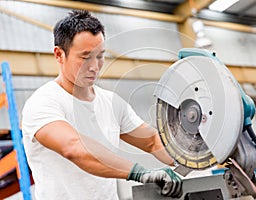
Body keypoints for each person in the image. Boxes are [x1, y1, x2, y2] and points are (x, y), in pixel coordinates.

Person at [21, 10, 182, 200]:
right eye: (85, 57)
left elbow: (151, 141)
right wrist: (140, 172)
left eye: (100, 56)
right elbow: (74, 148)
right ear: (59, 54)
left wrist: (198, 157)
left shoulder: (111, 103)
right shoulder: (43, 103)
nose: (94, 66)